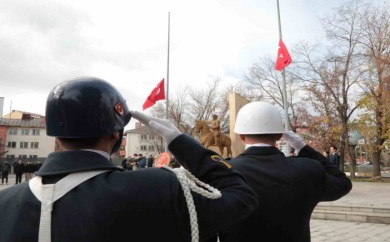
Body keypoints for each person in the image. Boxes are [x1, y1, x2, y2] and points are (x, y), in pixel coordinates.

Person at [0, 77, 258, 242]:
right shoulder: (157, 187)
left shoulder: (5, 202)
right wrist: (179, 140)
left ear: (53, 131)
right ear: (117, 133)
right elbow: (241, 196)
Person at [214, 101, 352, 242]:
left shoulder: (222, 172)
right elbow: (343, 183)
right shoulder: (308, 169)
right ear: (280, 135)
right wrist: (304, 148)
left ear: (241, 136)